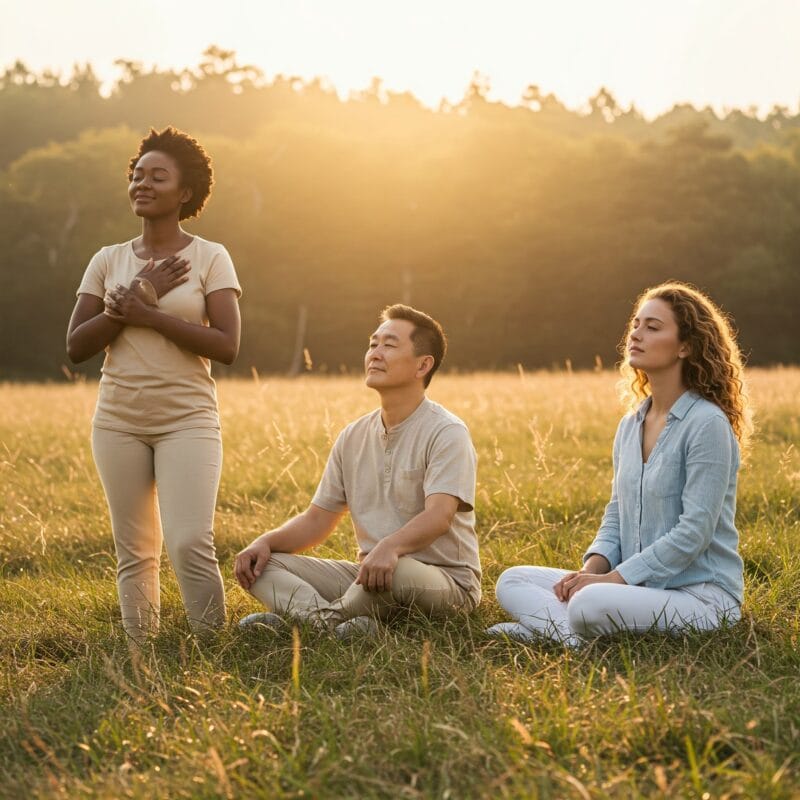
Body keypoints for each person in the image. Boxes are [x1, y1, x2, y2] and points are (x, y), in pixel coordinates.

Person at [488, 282, 752, 646]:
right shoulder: (631, 425)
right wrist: (588, 571)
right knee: (513, 580)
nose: (636, 334)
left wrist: (611, 581)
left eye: (653, 327)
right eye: (636, 324)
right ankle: (570, 633)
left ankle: (557, 631)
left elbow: (694, 533)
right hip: (634, 589)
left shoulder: (707, 424)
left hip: (701, 596)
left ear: (686, 347)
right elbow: (616, 513)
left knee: (589, 602)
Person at [66, 126, 242, 642]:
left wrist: (144, 311)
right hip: (118, 421)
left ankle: (211, 646)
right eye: (137, 175)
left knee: (189, 541)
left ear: (184, 193)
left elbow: (227, 346)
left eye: (157, 176)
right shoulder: (107, 260)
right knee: (135, 549)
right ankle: (141, 654)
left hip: (187, 420)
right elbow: (76, 346)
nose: (142, 183)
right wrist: (140, 292)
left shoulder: (210, 257)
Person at [235, 304, 480, 637]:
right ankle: (341, 625)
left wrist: (390, 548)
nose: (375, 353)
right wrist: (264, 542)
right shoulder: (352, 436)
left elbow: (439, 516)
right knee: (264, 566)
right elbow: (317, 521)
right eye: (373, 344)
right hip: (368, 575)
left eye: (389, 345)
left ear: (423, 365)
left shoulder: (446, 431)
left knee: (399, 572)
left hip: (442, 582)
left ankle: (308, 623)